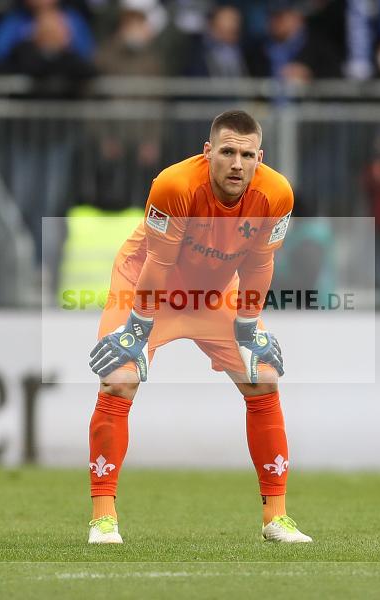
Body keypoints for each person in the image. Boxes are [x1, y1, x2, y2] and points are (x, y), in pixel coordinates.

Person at [83, 110, 311, 545]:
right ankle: (103, 517)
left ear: (259, 158)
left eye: (246, 155)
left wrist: (248, 329)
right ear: (208, 152)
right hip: (148, 286)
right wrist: (135, 329)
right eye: (227, 151)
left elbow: (261, 265)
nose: (237, 164)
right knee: (118, 381)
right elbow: (159, 263)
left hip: (216, 291)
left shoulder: (277, 194)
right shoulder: (173, 185)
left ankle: (276, 518)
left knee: (263, 379)